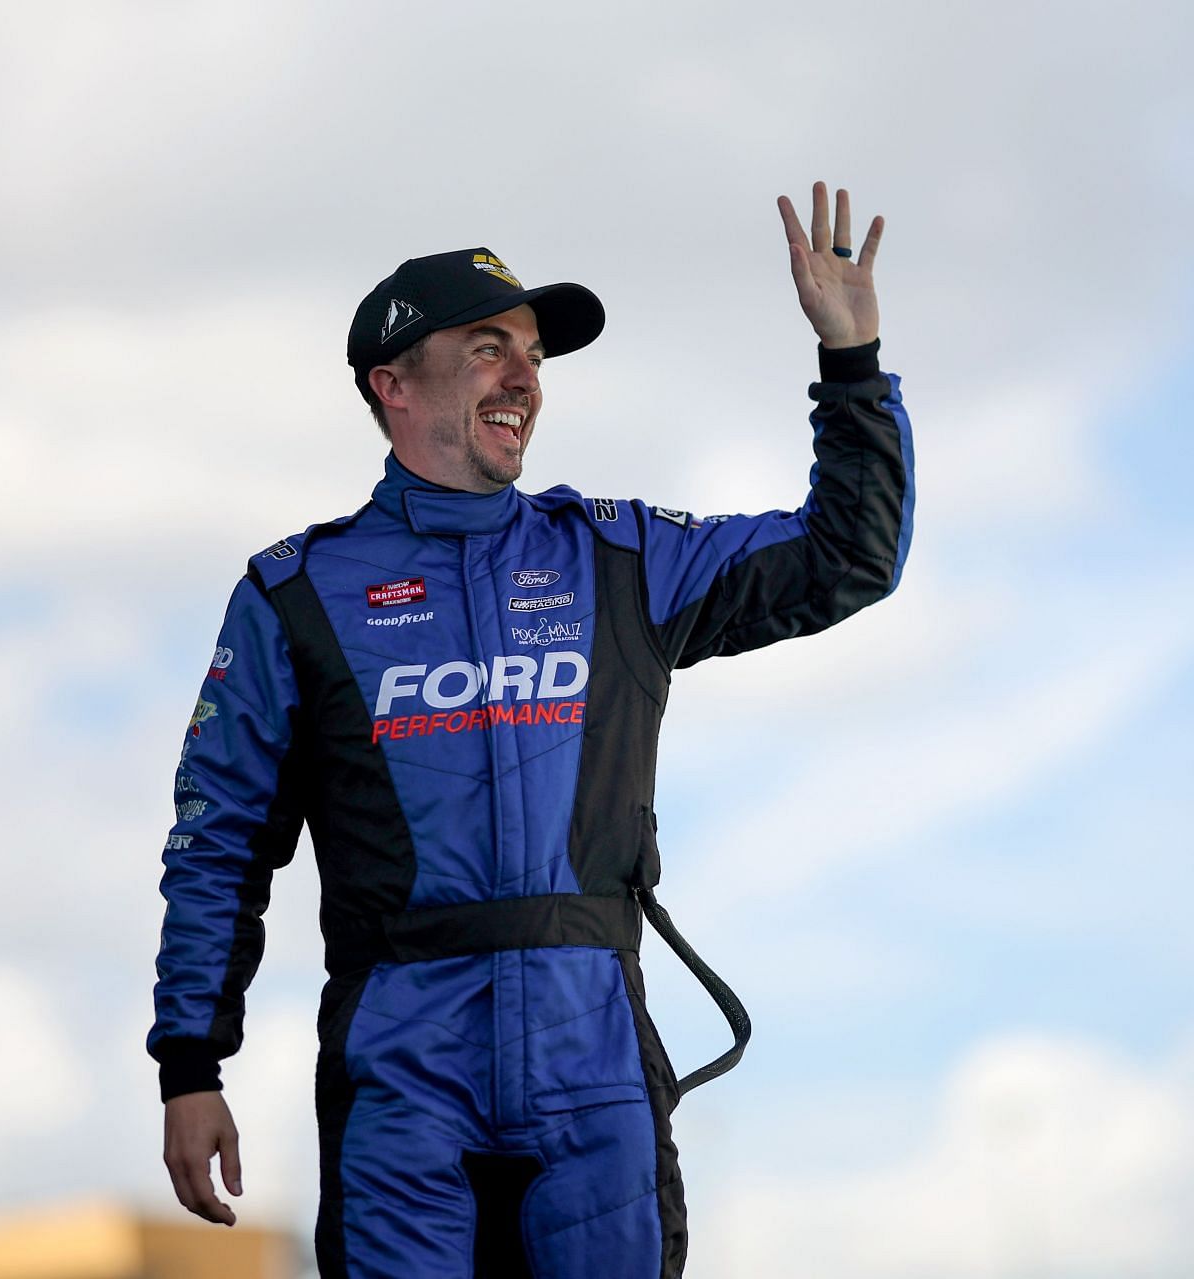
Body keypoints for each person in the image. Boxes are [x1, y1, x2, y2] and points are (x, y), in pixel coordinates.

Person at [148, 182, 914, 1278]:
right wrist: (190, 1064)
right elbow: (216, 844)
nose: (525, 378)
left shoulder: (617, 558)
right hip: (402, 1079)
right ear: (394, 383)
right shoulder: (295, 594)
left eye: (536, 357)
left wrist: (853, 365)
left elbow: (848, 557)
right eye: (490, 347)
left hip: (591, 1061)